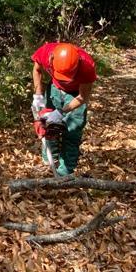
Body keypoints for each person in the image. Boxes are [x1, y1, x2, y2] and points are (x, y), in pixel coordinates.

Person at [31, 41, 97, 176]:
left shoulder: (87, 66)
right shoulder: (46, 52)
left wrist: (61, 112)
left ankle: (64, 172)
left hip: (75, 94)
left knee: (72, 132)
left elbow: (83, 97)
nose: (66, 79)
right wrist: (38, 94)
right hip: (54, 89)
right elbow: (37, 70)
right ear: (51, 60)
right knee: (48, 125)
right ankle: (49, 160)